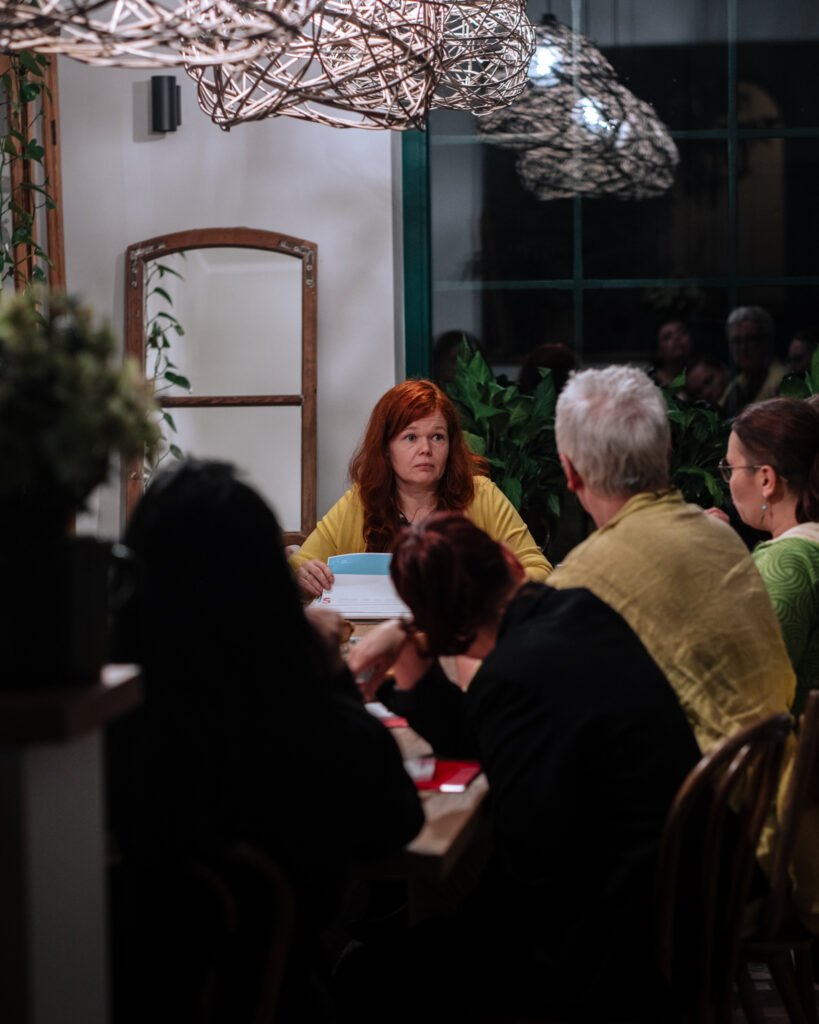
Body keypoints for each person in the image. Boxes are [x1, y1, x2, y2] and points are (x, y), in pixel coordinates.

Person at [343, 512, 701, 1021]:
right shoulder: (580, 609)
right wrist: (411, 647)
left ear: (446, 631)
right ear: (510, 560)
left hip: (599, 947)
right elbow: (489, 742)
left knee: (363, 976)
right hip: (675, 898)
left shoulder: (512, 676)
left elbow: (528, 860)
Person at [107, 459, 424, 1021]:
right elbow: (397, 821)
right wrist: (330, 671)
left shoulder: (105, 723)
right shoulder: (298, 720)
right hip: (280, 993)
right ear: (266, 581)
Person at [548, 366, 819, 935]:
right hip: (772, 810)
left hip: (725, 842)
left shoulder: (583, 579)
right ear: (665, 453)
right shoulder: (721, 539)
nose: (726, 478)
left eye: (731, 467)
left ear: (570, 472)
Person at [290, 379, 551, 597]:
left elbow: (538, 569)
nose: (425, 449)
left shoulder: (481, 495)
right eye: (411, 437)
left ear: (450, 445)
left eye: (437, 437)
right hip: (379, 633)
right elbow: (298, 566)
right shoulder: (361, 501)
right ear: (386, 449)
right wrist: (302, 575)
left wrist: (489, 585)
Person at [715, 398, 819, 716]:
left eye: (730, 469)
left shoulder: (787, 562)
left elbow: (742, 688)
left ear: (765, 479)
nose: (728, 481)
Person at [722, 305, 787, 416]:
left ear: (767, 340)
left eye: (750, 339)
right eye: (737, 341)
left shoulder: (782, 381)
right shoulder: (737, 383)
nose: (743, 347)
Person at [648, 318, 695, 391]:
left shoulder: (705, 376)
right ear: (658, 352)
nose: (677, 338)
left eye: (682, 332)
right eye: (667, 337)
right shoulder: (649, 384)